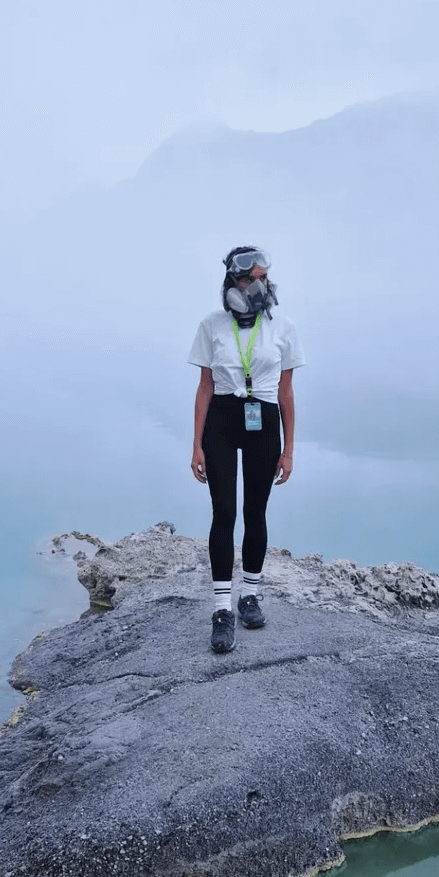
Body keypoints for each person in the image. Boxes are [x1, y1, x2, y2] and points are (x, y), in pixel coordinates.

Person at [188, 246, 305, 653]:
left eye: (260, 278)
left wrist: (289, 450)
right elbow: (204, 388)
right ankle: (222, 609)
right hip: (221, 420)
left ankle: (249, 596)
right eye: (245, 279)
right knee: (224, 512)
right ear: (231, 283)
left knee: (256, 512)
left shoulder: (284, 326)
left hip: (264, 419)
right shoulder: (211, 325)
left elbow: (287, 393)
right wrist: (196, 445)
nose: (255, 286)